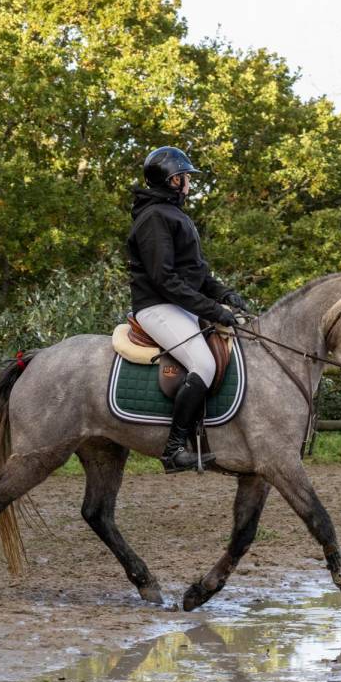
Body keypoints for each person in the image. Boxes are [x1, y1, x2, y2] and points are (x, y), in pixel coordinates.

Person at [126, 146, 249, 473]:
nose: (189, 184)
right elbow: (164, 279)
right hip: (158, 307)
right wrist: (212, 309)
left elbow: (196, 273)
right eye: (185, 178)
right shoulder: (153, 218)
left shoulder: (173, 214)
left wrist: (225, 294)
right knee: (204, 364)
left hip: (179, 306)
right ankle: (174, 449)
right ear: (172, 180)